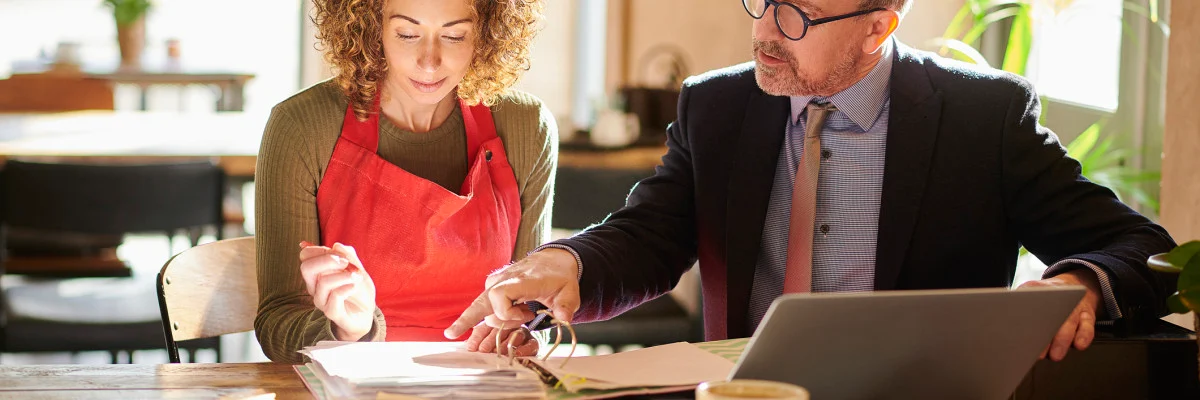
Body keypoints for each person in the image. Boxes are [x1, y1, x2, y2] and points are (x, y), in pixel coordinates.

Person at [447, 0, 1178, 363]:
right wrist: (569, 263)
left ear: (879, 25)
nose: (765, 29)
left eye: (798, 14)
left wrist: (1080, 282)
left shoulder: (981, 118)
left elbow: (1141, 246)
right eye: (760, 0)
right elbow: (653, 234)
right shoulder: (719, 105)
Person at [254, 0, 554, 363]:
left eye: (455, 36)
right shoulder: (303, 126)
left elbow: (533, 305)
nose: (429, 61)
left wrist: (522, 330)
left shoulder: (525, 126)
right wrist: (350, 331)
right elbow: (276, 325)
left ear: (487, 34)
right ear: (370, 27)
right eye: (407, 34)